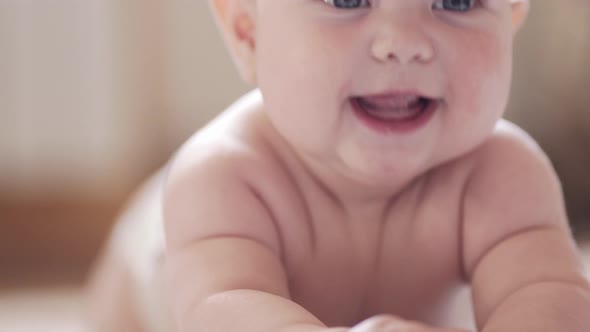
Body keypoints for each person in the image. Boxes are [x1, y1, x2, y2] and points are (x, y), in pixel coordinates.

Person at [86, 0, 590, 331]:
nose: (403, 42)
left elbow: (550, 299)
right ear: (247, 32)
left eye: (456, 1)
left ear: (511, 20)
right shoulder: (226, 178)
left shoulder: (505, 177)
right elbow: (223, 312)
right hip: (151, 269)